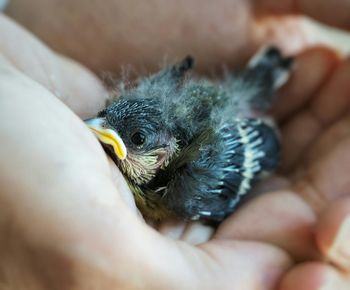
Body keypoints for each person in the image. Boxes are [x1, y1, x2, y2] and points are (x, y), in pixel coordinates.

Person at [0, 0, 349, 289]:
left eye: (137, 140)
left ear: (164, 152)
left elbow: (261, 147)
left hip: (245, 117)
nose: (98, 126)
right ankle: (269, 70)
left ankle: (269, 72)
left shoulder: (187, 185)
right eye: (105, 118)